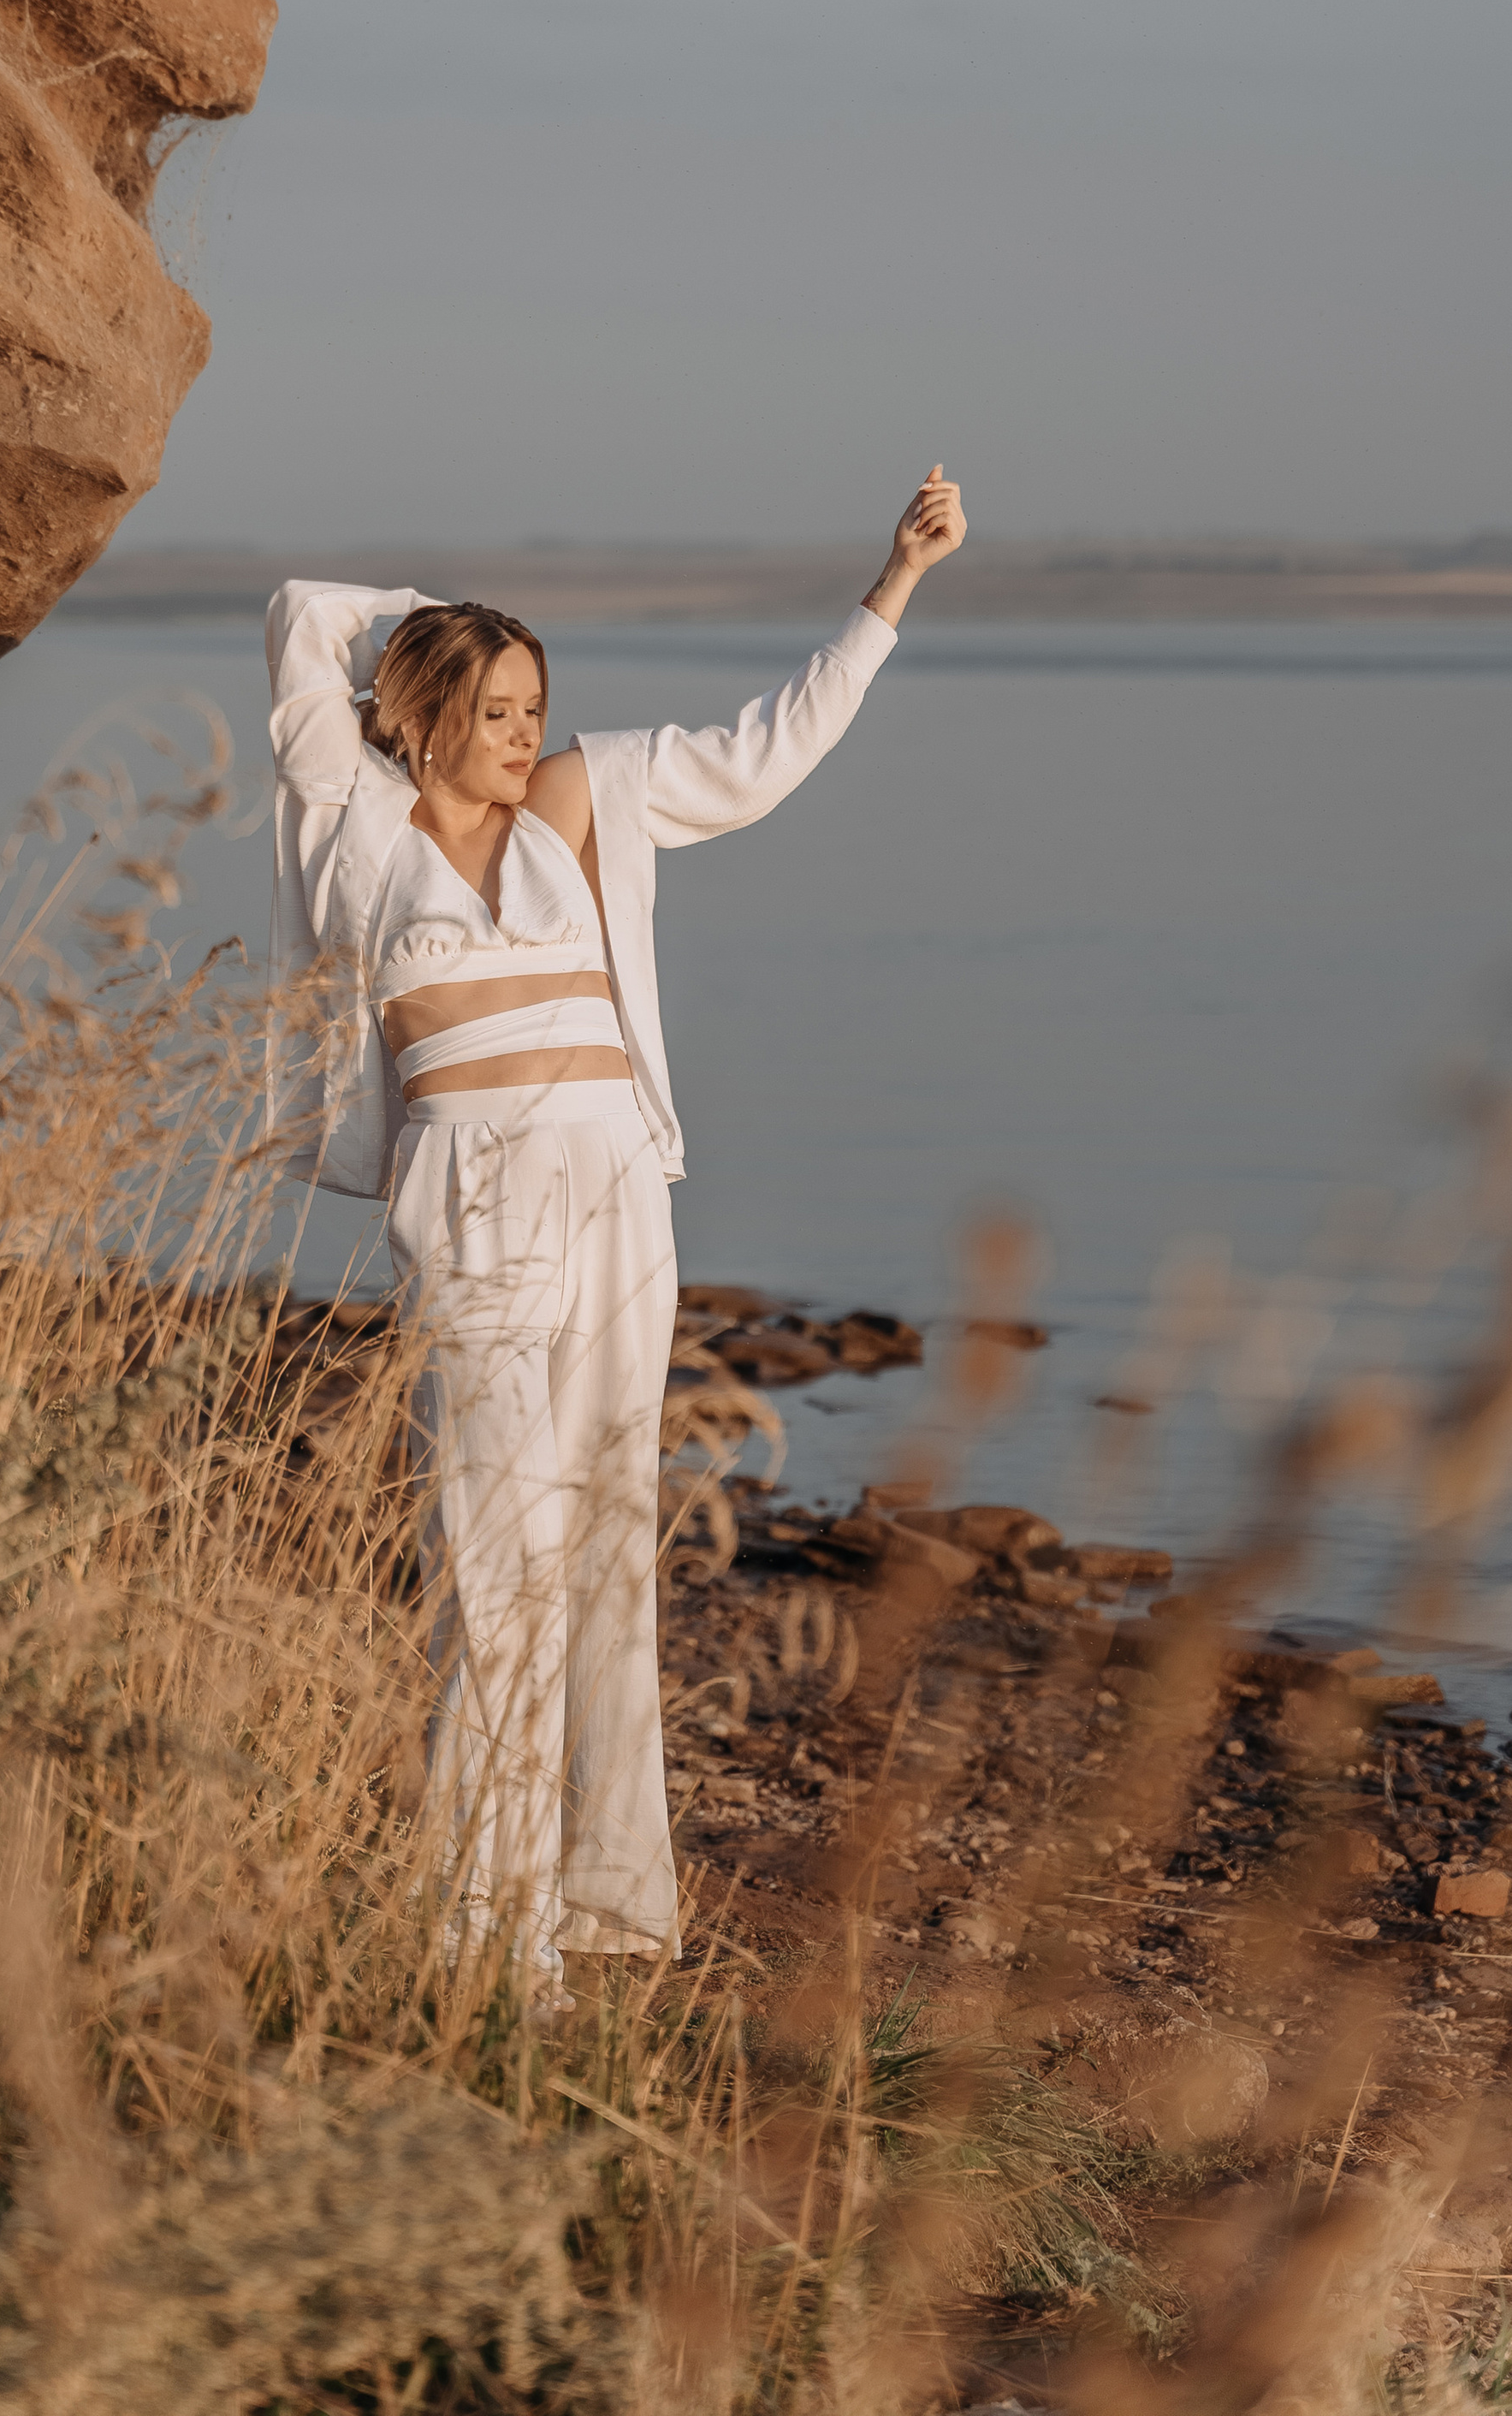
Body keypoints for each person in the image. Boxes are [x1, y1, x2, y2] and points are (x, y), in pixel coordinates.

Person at [264, 467, 966, 1985]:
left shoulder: (584, 802)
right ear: (428, 712)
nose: (528, 733)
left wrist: (890, 588)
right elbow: (300, 617)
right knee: (491, 1541)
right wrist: (426, 636)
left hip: (614, 1192)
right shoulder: (354, 829)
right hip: (470, 1193)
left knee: (599, 1539)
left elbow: (766, 753)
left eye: (534, 704)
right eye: (500, 708)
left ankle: (602, 1898)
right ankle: (483, 1936)